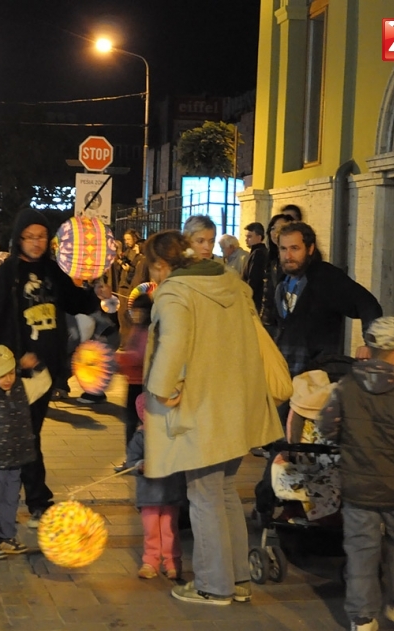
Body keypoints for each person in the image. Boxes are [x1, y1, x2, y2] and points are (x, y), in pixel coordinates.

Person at [141, 230, 282, 605]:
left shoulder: (175, 291)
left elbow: (173, 343)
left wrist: (160, 389)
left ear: (161, 264)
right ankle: (237, 579)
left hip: (201, 407)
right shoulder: (229, 281)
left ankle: (213, 585)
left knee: (203, 495)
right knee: (224, 491)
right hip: (237, 404)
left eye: (153, 267)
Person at [0, 208, 104, 527]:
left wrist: (95, 292)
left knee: (28, 434)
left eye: (41, 236)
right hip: (12, 374)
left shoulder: (53, 272)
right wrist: (2, 362)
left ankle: (24, 502)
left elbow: (76, 302)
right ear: (18, 239)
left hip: (45, 373)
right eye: (29, 237)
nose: (35, 242)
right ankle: (33, 502)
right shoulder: (5, 276)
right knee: (24, 436)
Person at [317, 316, 394, 631]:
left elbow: (326, 427)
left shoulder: (345, 386)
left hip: (358, 486)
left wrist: (349, 440)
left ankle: (362, 617)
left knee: (361, 549)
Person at [0, 346, 51, 560]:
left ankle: (6, 536)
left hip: (16, 458)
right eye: (1, 375)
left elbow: (43, 384)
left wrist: (37, 366)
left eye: (11, 373)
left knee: (11, 499)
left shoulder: (21, 388)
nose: (8, 379)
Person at [273, 222, 382, 376]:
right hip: (285, 372)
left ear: (310, 249)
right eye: (283, 249)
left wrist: (371, 344)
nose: (288, 256)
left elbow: (367, 304)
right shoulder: (281, 281)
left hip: (318, 375)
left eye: (295, 248)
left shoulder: (325, 277)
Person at [126, 416, 186, 580]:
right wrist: (140, 465)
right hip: (149, 494)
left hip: (171, 492)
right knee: (150, 529)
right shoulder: (141, 437)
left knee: (170, 530)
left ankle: (172, 562)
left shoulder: (174, 433)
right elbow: (131, 461)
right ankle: (150, 561)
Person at [115, 292, 154, 446]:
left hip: (143, 385)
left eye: (140, 311)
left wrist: (120, 358)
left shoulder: (148, 332)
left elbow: (140, 355)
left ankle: (139, 453)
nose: (137, 315)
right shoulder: (135, 329)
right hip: (132, 383)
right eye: (134, 311)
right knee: (130, 422)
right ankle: (132, 453)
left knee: (139, 422)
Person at [260, 213, 293, 329]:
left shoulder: (293, 261)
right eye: (273, 228)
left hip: (287, 324)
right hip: (270, 322)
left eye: (281, 228)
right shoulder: (272, 260)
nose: (275, 233)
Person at [241, 222, 267, 312]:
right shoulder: (258, 252)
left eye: (249, 237)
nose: (246, 240)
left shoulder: (258, 253)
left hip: (254, 300)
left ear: (259, 237)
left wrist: (247, 297)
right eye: (246, 237)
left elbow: (254, 279)